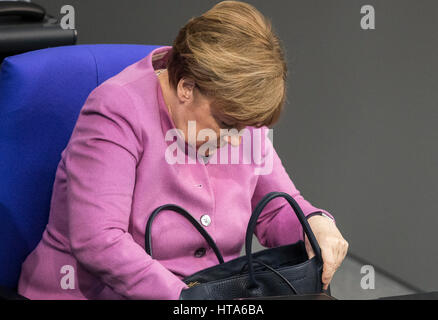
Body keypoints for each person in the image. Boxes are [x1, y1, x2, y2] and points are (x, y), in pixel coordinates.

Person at [18, 0, 348, 299]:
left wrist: (313, 223)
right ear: (186, 87)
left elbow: (273, 210)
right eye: (227, 124)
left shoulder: (236, 112)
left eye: (246, 127)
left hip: (211, 291)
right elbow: (99, 241)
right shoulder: (116, 109)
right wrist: (188, 301)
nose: (238, 140)